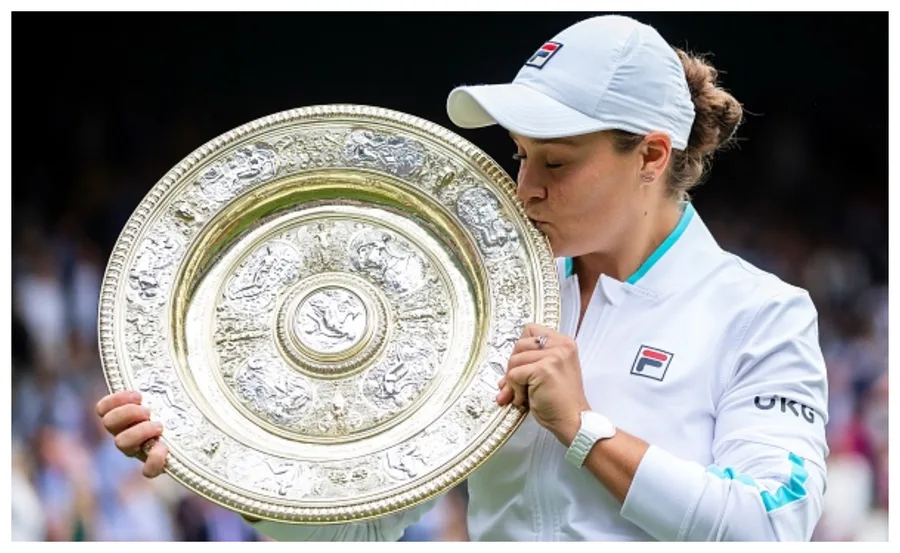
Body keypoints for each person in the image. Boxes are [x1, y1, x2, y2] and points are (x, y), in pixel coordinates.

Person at [96, 14, 830, 541]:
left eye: (557, 162)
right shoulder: (487, 298)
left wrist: (582, 428)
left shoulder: (762, 313)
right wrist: (226, 465)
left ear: (651, 155)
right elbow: (362, 530)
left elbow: (767, 526)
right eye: (521, 155)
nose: (524, 188)